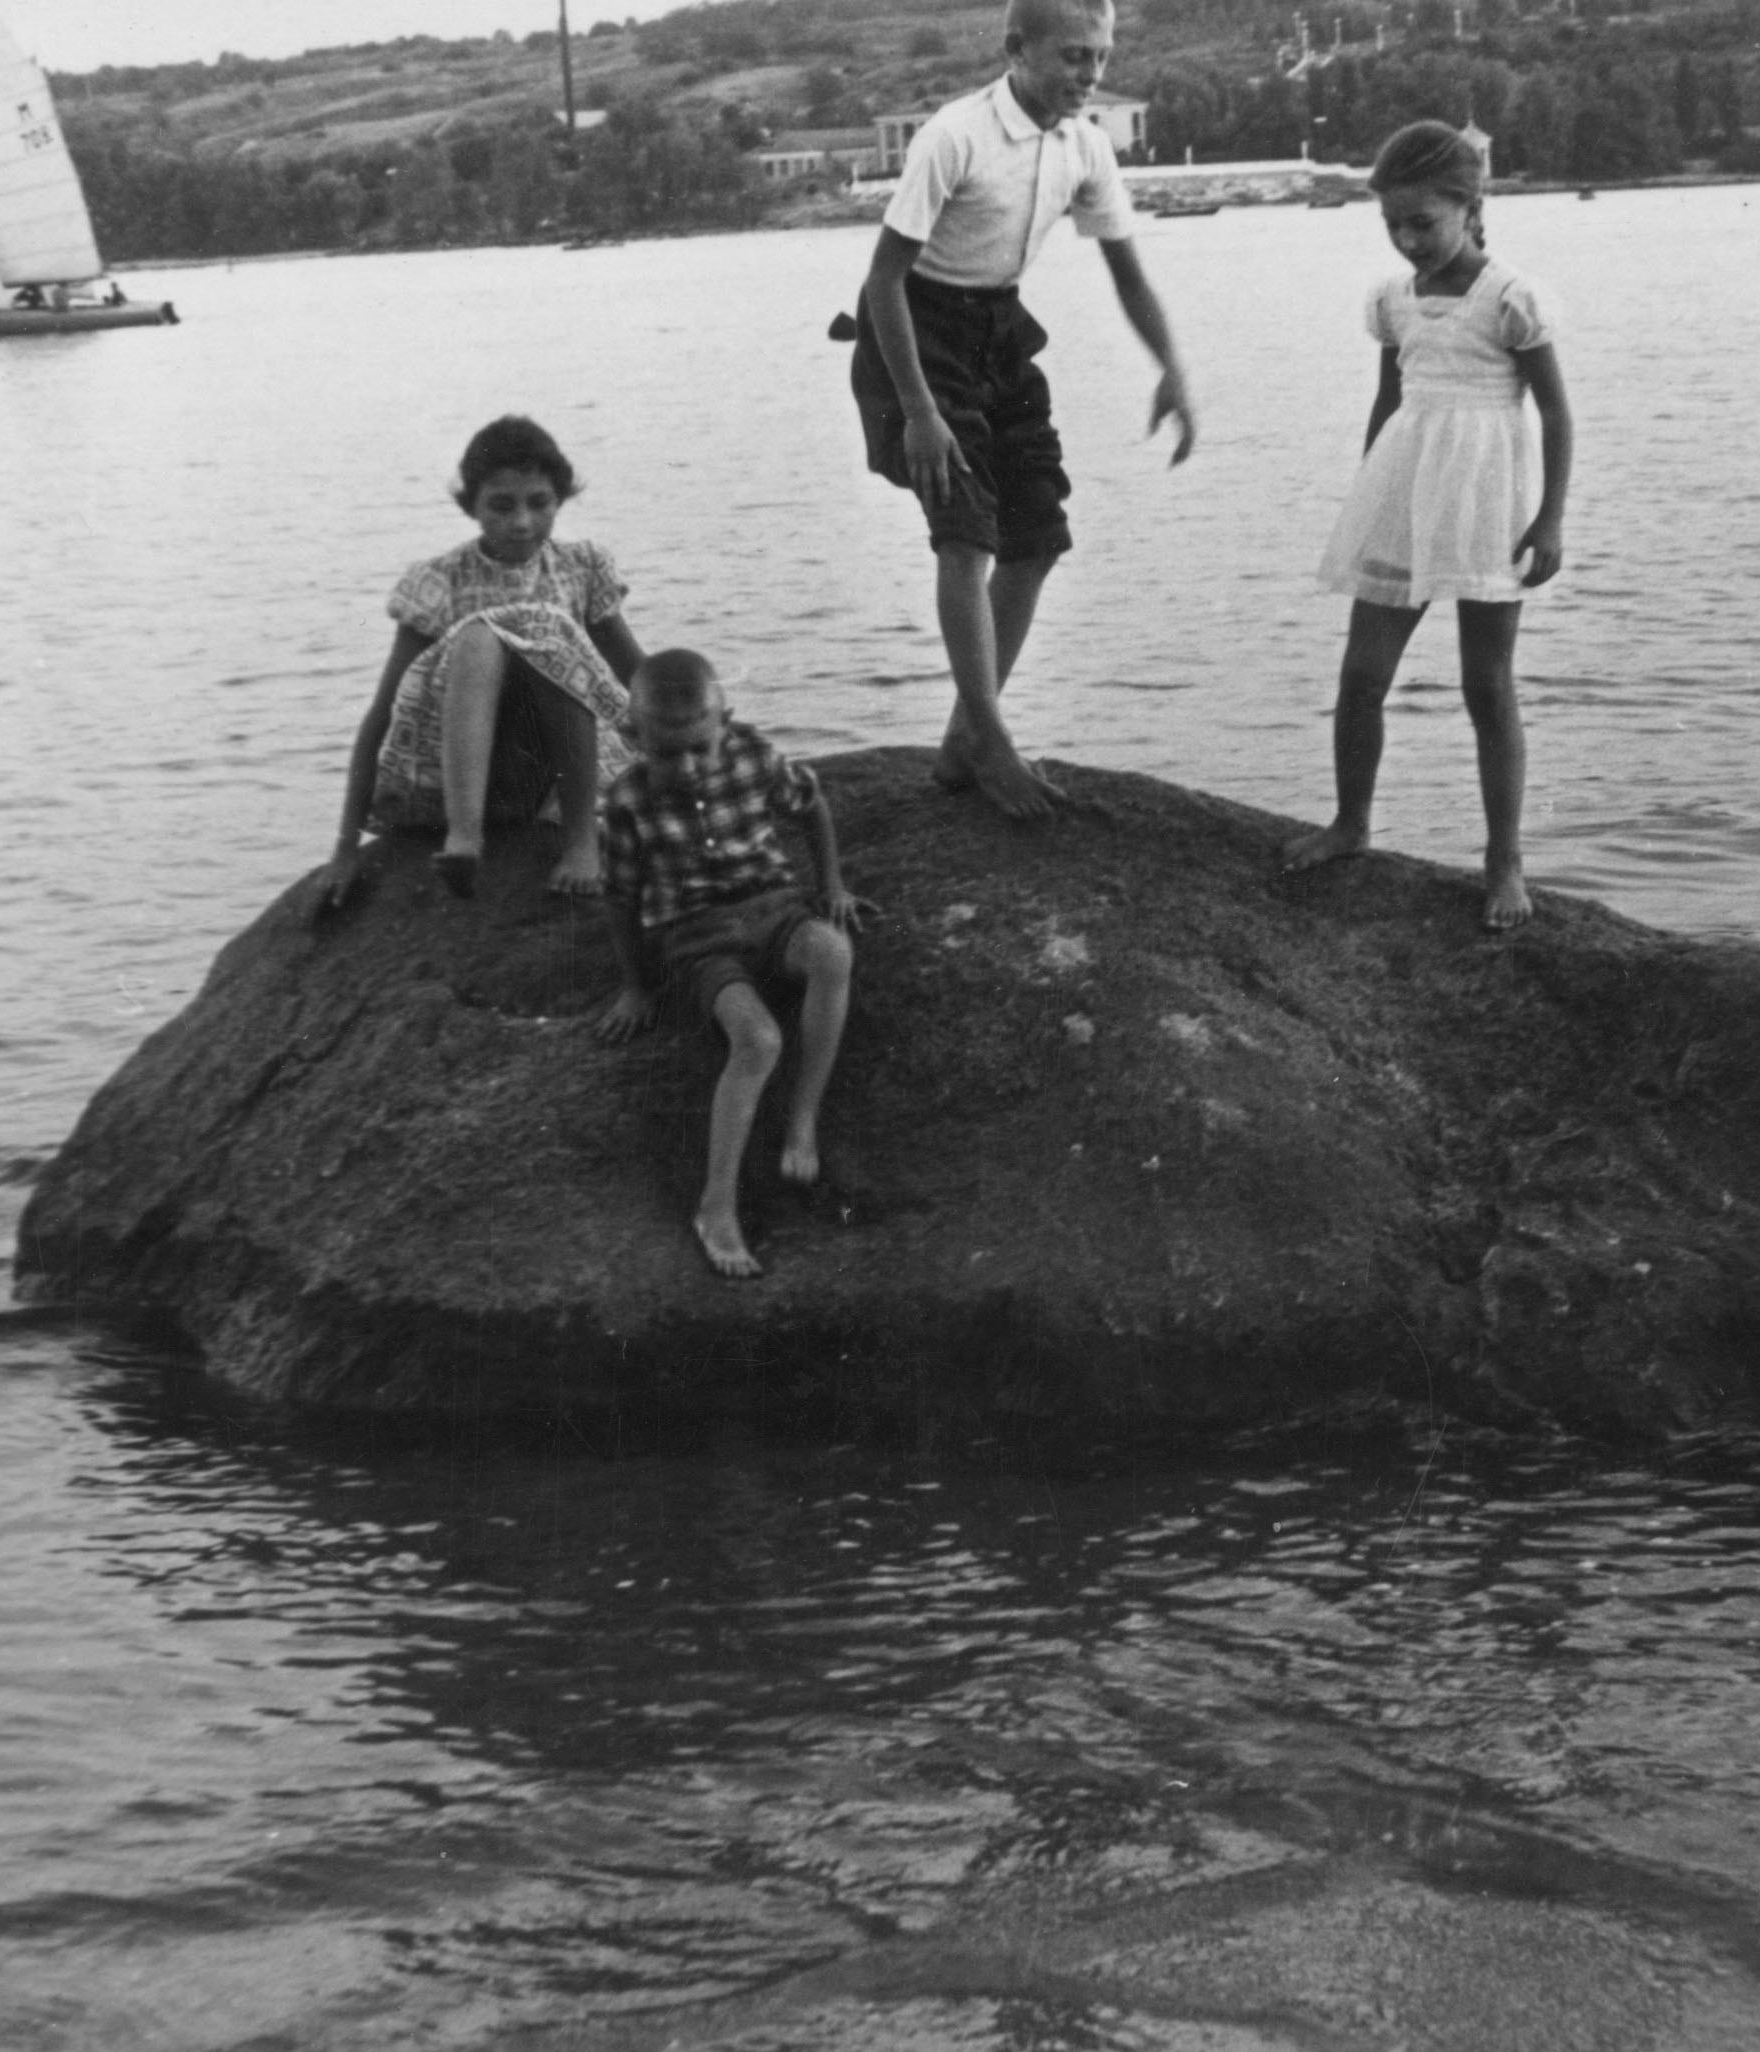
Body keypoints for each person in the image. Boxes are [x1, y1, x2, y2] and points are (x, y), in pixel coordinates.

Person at [850, 0, 1195, 821]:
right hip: (918, 331)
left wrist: (1172, 366)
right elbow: (883, 280)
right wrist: (919, 411)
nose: (1092, 76)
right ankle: (994, 743)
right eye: (1075, 57)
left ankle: (963, 736)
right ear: (1017, 49)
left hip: (998, 328)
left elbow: (1128, 273)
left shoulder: (1084, 145)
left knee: (1035, 534)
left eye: (1101, 58)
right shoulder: (955, 135)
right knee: (965, 531)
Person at [1283, 120, 1572, 930]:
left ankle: (1504, 862)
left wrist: (1548, 517)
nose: (1408, 240)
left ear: (1469, 205)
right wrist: (1366, 491)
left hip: (1486, 495)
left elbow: (1554, 412)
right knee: (1360, 676)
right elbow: (1388, 400)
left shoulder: (1510, 297)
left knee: (1486, 686)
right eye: (1393, 225)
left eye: (1424, 222)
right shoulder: (1392, 300)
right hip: (1404, 483)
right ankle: (1351, 823)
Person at [593, 650, 872, 1280]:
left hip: (773, 907)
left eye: (700, 748)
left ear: (726, 723)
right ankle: (716, 1206)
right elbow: (618, 896)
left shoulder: (754, 757)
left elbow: (811, 805)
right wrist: (635, 986)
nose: (686, 768)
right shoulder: (627, 801)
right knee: (757, 1037)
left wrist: (831, 885)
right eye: (667, 754)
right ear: (632, 736)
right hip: (695, 936)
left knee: (833, 951)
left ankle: (802, 1119)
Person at [318, 415, 642, 911]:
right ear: (471, 506)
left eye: (539, 503)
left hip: (549, 779)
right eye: (501, 505)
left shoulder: (582, 567)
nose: (521, 522)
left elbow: (636, 678)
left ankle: (582, 843)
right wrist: (344, 848)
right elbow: (383, 713)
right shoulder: (439, 581)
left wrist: (717, 739)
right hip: (456, 781)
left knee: (544, 632)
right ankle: (464, 841)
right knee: (482, 637)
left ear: (560, 500)